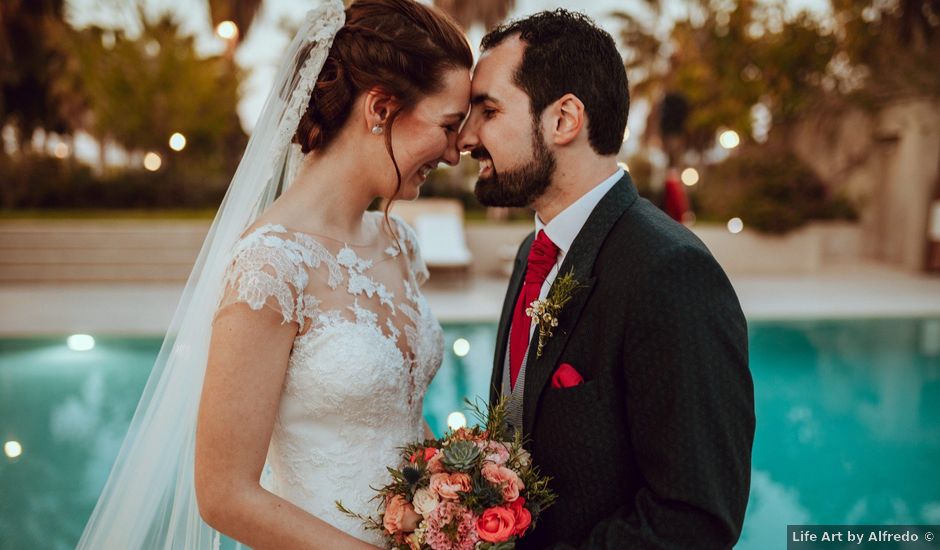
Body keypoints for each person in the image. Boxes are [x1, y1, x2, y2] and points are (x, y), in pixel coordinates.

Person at [76, 0, 471, 548]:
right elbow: (223, 493)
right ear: (380, 107)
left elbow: (396, 418)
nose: (454, 153)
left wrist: (459, 508)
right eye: (449, 126)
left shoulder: (398, 241)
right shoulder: (270, 265)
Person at [457, 10, 755, 549]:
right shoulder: (533, 252)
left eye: (489, 111)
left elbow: (695, 520)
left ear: (564, 120)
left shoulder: (670, 272)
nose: (466, 137)